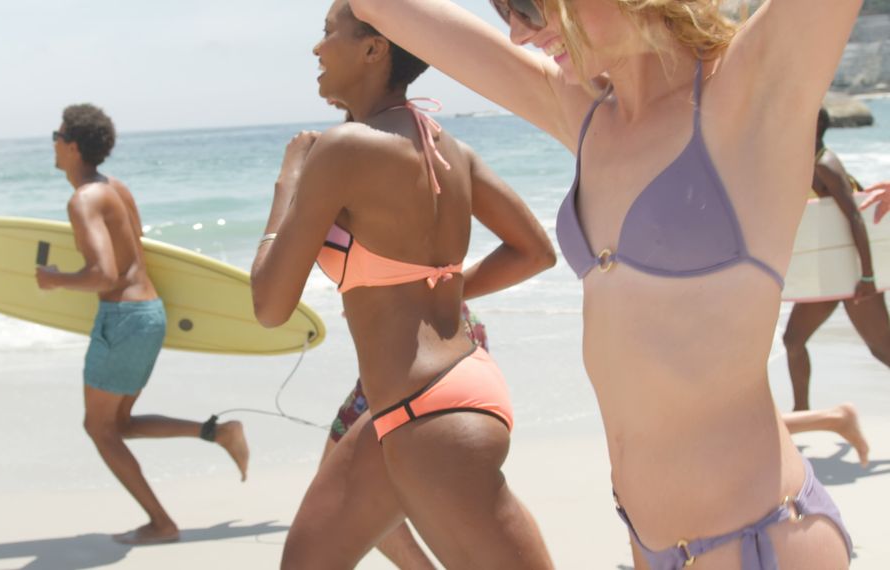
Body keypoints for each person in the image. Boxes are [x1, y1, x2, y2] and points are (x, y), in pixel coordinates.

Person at [346, 0, 859, 567]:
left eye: (525, 6)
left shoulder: (751, 86)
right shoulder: (583, 111)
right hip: (650, 546)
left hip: (761, 543)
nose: (517, 34)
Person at [250, 1, 558, 566]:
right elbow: (534, 252)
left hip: (429, 416)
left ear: (374, 48)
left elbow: (270, 305)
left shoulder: (342, 149)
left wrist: (286, 184)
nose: (317, 49)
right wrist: (440, 290)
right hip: (428, 398)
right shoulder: (448, 147)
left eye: (327, 34)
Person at [36, 104, 249, 545]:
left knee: (98, 429)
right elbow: (140, 253)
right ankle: (219, 432)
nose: (53, 143)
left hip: (123, 320)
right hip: (148, 314)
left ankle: (162, 523)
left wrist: (53, 280)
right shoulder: (117, 189)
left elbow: (104, 274)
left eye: (56, 135)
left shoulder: (83, 200)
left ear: (72, 145)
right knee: (120, 424)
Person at [323, 303, 489, 570]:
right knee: (449, 489)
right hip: (457, 328)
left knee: (344, 494)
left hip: (404, 346)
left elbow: (271, 307)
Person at [783, 107, 890, 412]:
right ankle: (801, 415)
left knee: (883, 350)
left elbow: (855, 217)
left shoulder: (825, 165)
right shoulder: (802, 164)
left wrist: (868, 276)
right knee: (793, 341)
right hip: (830, 272)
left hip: (855, 274)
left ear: (814, 125)